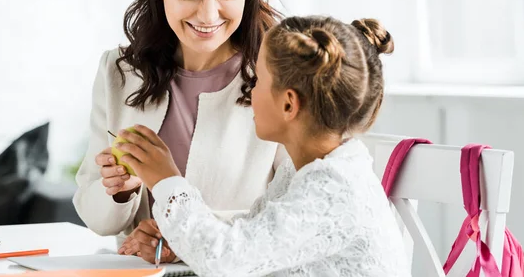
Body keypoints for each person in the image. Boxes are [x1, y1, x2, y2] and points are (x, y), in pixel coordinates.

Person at [72, 0, 287, 263]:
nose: (208, 15)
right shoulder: (119, 72)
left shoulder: (281, 75)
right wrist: (121, 191)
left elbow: (294, 216)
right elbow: (94, 214)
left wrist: (186, 235)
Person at [116, 16, 411, 276]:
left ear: (288, 104)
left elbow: (227, 260)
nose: (250, 90)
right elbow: (253, 242)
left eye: (257, 81)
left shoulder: (334, 187)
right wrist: (182, 244)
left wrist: (166, 181)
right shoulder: (306, 172)